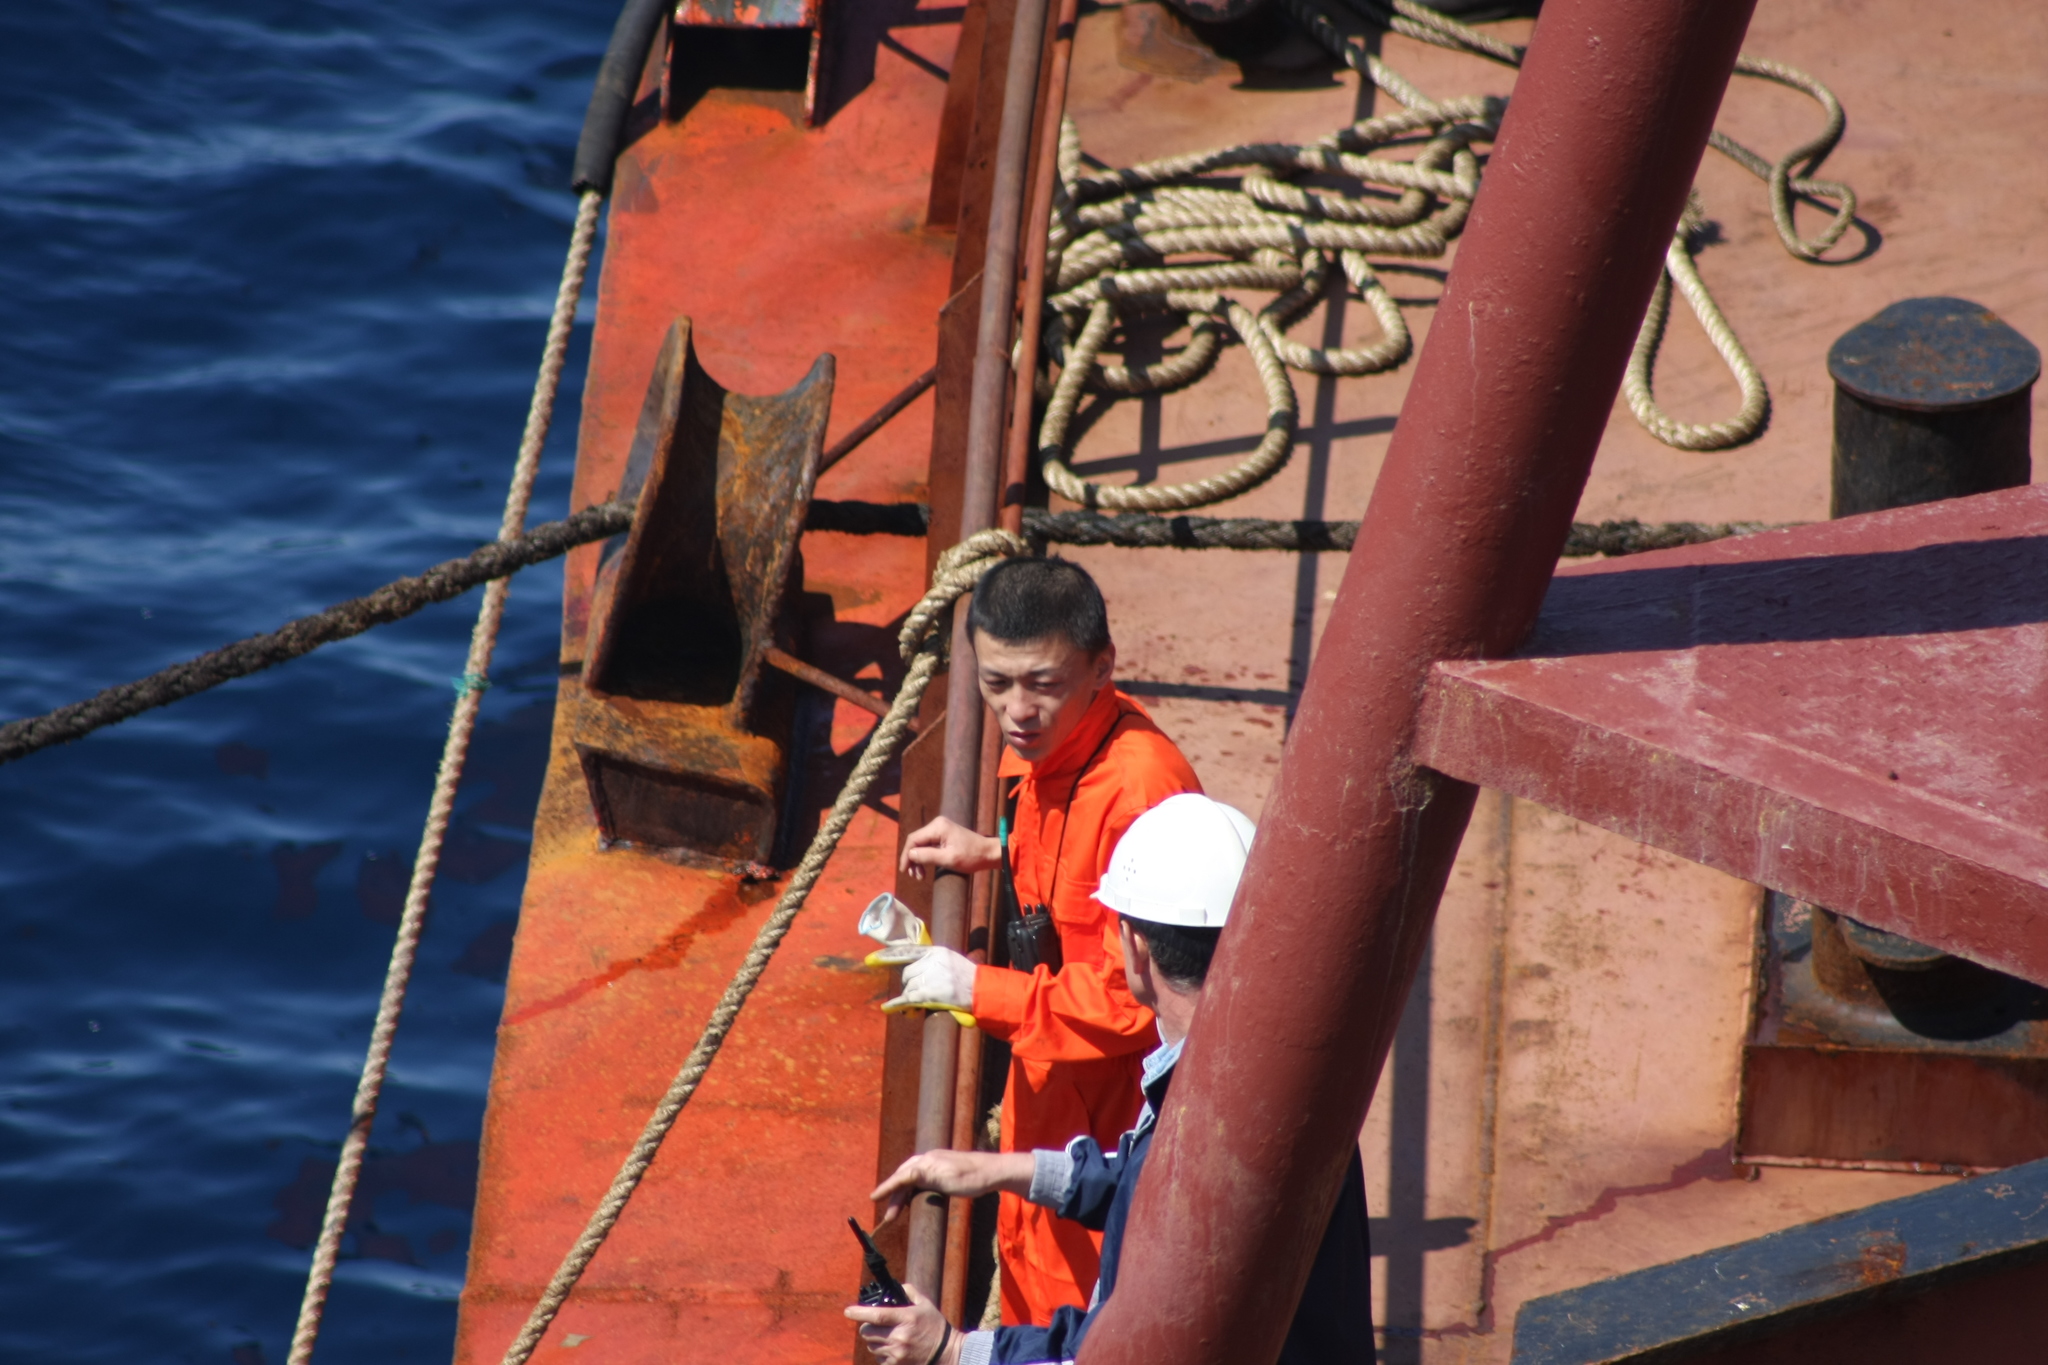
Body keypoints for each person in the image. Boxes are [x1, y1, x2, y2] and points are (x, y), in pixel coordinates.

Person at [850, 794, 1375, 1365]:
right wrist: (998, 1169)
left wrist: (949, 1348)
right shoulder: (1290, 1076)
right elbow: (1147, 1183)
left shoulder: (1197, 1136)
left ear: (1136, 946)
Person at [890, 556, 1201, 1325]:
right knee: (1031, 1286)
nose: (1017, 711)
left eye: (1042, 683)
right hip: (1048, 1095)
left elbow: (1142, 1000)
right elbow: (1075, 875)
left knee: (1084, 1318)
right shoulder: (1054, 749)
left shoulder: (1142, 793)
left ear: (1102, 669)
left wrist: (973, 988)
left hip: (1105, 1119)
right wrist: (991, 849)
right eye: (996, 684)